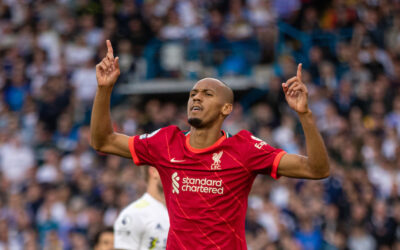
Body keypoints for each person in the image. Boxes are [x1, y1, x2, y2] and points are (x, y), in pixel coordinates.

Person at [90, 40, 330, 249]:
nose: (196, 97)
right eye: (193, 93)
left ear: (226, 108)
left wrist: (305, 114)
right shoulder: (166, 141)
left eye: (207, 93)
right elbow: (103, 141)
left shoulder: (244, 148)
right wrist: (104, 89)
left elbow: (317, 169)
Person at [114, 166, 169, 250]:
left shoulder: (182, 212)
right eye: (170, 169)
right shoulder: (134, 214)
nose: (176, 175)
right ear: (154, 171)